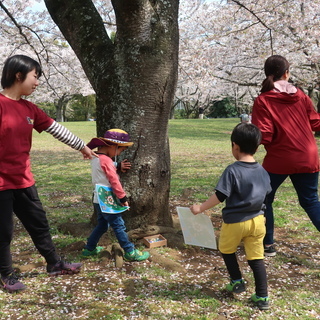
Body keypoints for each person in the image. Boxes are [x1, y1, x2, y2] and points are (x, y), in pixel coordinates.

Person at [0, 55, 97, 293]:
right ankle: (5, 274)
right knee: (3, 232)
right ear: (18, 75)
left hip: (23, 180)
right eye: (35, 76)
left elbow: (56, 129)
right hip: (0, 184)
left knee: (39, 223)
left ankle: (54, 263)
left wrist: (82, 146)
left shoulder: (29, 108)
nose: (37, 82)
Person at [190, 123, 271, 310]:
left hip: (235, 222)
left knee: (226, 250)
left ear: (235, 146)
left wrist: (200, 208)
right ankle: (262, 297)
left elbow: (220, 196)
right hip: (258, 221)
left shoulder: (233, 170)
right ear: (257, 148)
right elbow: (266, 193)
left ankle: (236, 281)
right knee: (256, 257)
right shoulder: (263, 171)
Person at [252, 55, 320, 257]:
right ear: (287, 73)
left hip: (279, 159)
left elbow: (265, 135)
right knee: (310, 201)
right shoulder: (301, 96)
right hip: (308, 156)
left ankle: (268, 245)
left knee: (264, 199)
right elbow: (316, 123)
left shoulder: (263, 100)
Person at [82, 129, 150, 262]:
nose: (119, 153)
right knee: (119, 225)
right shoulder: (106, 161)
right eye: (120, 150)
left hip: (97, 198)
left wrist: (117, 165)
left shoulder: (96, 157)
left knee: (102, 225)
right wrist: (122, 198)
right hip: (107, 199)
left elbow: (105, 166)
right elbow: (113, 180)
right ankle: (130, 251)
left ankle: (89, 249)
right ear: (113, 146)